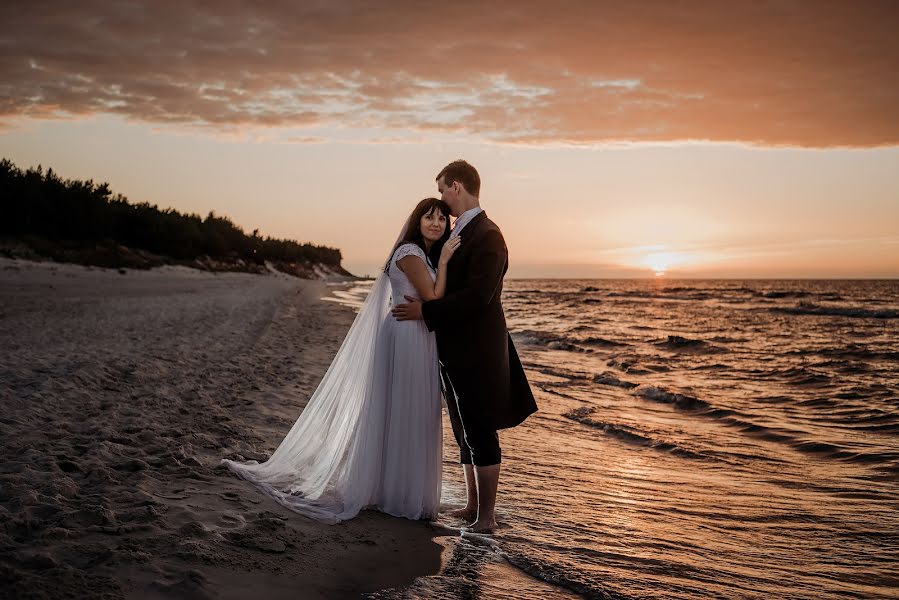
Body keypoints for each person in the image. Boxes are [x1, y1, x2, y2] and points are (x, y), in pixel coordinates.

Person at [222, 198, 459, 523]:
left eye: (442, 220)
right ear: (417, 221)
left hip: (414, 335)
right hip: (409, 338)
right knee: (408, 411)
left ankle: (398, 491)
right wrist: (445, 261)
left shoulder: (417, 254)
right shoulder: (411, 253)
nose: (436, 223)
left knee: (405, 412)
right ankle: (401, 495)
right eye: (429, 217)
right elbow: (432, 298)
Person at [392, 160, 538, 533]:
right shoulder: (460, 233)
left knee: (480, 427)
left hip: (479, 350)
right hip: (452, 348)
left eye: (442, 190)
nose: (441, 199)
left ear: (456, 187)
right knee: (463, 429)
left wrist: (426, 311)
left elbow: (478, 297)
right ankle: (472, 507)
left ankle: (486, 517)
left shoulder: (488, 235)